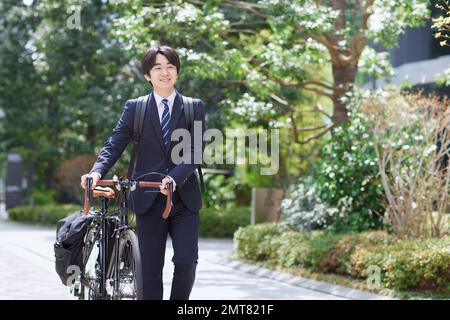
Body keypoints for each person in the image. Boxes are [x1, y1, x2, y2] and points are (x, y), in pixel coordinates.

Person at [80, 45, 205, 300]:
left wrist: (174, 178)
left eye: (170, 67)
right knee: (149, 269)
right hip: (148, 199)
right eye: (157, 68)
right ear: (148, 75)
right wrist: (96, 171)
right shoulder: (135, 108)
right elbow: (115, 143)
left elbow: (197, 150)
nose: (165, 73)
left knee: (186, 260)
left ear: (177, 72)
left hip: (184, 198)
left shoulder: (194, 107)